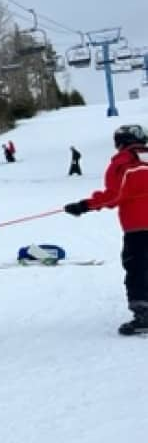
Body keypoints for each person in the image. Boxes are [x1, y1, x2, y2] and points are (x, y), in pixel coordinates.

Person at [63, 124, 148, 335]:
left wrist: (84, 205)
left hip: (138, 227)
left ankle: (144, 314)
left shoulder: (122, 163)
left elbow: (114, 196)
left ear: (121, 143)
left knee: (137, 268)